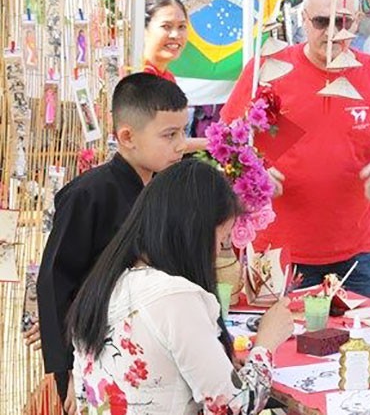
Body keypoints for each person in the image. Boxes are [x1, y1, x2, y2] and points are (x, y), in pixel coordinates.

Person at [221, 0, 370, 302]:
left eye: (344, 22)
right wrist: (254, 174)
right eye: (323, 22)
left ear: (357, 21)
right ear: (304, 19)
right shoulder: (266, 69)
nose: (334, 33)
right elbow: (226, 143)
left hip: (358, 255)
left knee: (363, 350)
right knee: (273, 349)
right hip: (276, 253)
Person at [67, 159, 294, 413]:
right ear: (195, 233)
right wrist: (266, 342)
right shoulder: (175, 297)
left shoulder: (101, 285)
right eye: (221, 240)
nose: (218, 253)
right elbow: (234, 407)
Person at [34, 73, 189, 413]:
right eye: (170, 134)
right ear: (127, 137)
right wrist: (65, 372)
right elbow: (54, 283)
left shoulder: (167, 190)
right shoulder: (88, 195)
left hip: (153, 351)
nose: (181, 144)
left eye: (183, 132)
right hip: (97, 353)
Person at [142, 0, 208, 153]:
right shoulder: (141, 77)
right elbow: (156, 143)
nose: (176, 35)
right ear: (144, 29)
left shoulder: (167, 77)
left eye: (182, 27)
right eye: (166, 26)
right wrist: (212, 142)